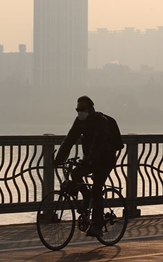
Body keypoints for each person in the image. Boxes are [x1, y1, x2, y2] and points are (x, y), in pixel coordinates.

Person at [53, 96, 118, 238]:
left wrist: (88, 159)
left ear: (90, 108)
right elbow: (69, 140)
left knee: (96, 190)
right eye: (77, 109)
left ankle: (97, 225)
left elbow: (98, 144)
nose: (79, 112)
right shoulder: (80, 122)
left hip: (105, 160)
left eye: (82, 109)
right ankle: (86, 195)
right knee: (75, 174)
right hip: (90, 160)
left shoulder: (101, 122)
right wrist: (58, 159)